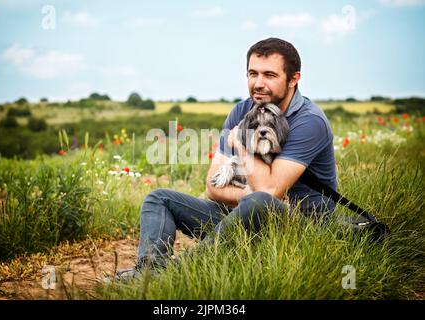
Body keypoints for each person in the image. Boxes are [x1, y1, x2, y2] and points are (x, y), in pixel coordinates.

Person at [114, 37, 337, 281]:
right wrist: (244, 198)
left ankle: (176, 275)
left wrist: (241, 141)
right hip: (241, 217)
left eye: (269, 75)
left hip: (299, 229)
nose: (258, 84)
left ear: (294, 79)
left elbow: (268, 191)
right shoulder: (241, 111)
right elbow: (213, 186)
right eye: (253, 73)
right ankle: (148, 271)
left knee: (259, 202)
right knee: (159, 198)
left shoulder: (309, 121)